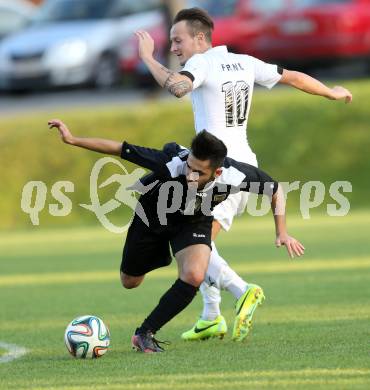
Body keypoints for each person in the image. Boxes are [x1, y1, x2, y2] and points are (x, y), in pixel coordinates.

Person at [135, 7, 353, 341]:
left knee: (194, 242)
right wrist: (331, 92)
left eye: (178, 41)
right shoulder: (245, 61)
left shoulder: (201, 63)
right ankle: (210, 315)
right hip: (243, 162)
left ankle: (243, 290)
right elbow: (292, 76)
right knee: (199, 240)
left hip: (217, 171)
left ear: (200, 38)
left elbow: (178, 88)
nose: (175, 48)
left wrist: (149, 58)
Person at [48, 119, 304, 353]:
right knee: (129, 281)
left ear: (216, 173)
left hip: (194, 220)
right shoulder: (173, 163)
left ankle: (144, 334)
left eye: (198, 172)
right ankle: (161, 256)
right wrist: (73, 139)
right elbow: (120, 149)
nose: (189, 174)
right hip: (152, 218)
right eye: (189, 167)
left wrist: (281, 231)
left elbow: (275, 189)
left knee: (194, 274)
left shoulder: (234, 174)